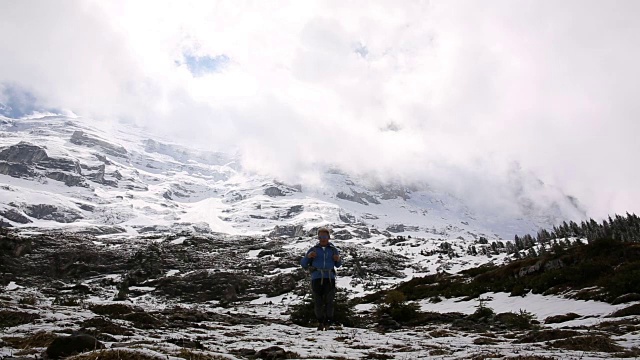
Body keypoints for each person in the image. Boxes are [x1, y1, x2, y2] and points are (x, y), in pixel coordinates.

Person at [300, 227, 342, 330]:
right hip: (316, 278)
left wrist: (338, 259)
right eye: (320, 237)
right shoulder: (313, 249)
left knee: (329, 301)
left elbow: (338, 265)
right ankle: (320, 322)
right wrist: (308, 256)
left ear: (328, 237)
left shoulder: (333, 250)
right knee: (318, 301)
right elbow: (304, 264)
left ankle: (328, 322)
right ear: (318, 238)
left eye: (325, 236)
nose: (323, 239)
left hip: (329, 278)